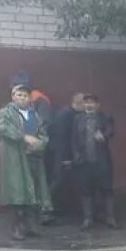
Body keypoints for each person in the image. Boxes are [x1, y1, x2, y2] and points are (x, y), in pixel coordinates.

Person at [0, 85, 50, 240]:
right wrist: (24, 137)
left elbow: (43, 134)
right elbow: (4, 129)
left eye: (25, 95)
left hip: (33, 157)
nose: (22, 98)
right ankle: (16, 229)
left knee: (34, 193)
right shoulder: (5, 113)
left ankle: (31, 226)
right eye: (18, 95)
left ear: (29, 98)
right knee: (17, 194)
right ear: (13, 96)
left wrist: (39, 144)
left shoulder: (34, 114)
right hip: (16, 160)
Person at [71, 94, 117, 229]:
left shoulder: (105, 117)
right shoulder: (77, 119)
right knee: (86, 190)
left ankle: (110, 218)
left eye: (92, 102)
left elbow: (111, 130)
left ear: (97, 105)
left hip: (102, 160)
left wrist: (104, 135)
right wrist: (76, 155)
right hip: (84, 160)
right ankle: (87, 219)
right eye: (86, 102)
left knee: (106, 189)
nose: (89, 105)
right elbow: (73, 139)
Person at [45, 92, 85, 221]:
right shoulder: (66, 115)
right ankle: (44, 212)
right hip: (60, 153)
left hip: (61, 152)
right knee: (57, 181)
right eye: (84, 103)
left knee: (61, 182)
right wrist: (66, 158)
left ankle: (55, 209)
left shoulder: (70, 113)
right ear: (78, 103)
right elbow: (62, 138)